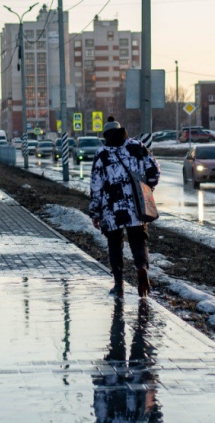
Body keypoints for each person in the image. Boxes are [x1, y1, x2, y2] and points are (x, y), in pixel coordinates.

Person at [89, 116, 160, 298]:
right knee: (139, 240)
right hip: (136, 205)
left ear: (105, 135)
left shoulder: (102, 154)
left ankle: (119, 284)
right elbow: (154, 170)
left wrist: (95, 212)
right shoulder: (137, 146)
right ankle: (142, 268)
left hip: (111, 209)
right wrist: (148, 188)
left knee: (115, 244)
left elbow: (96, 186)